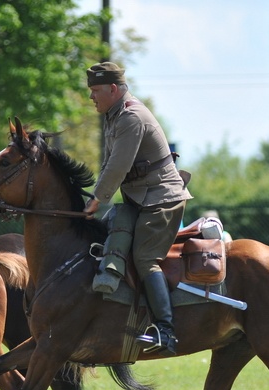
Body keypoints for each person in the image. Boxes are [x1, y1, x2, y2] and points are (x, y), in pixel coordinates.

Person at [82, 61, 192, 356]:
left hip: (161, 200)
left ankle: (165, 331)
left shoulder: (131, 117)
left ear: (113, 89)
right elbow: (108, 165)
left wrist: (96, 200)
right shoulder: (114, 115)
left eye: (95, 90)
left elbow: (117, 167)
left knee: (145, 259)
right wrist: (94, 195)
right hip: (140, 198)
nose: (91, 96)